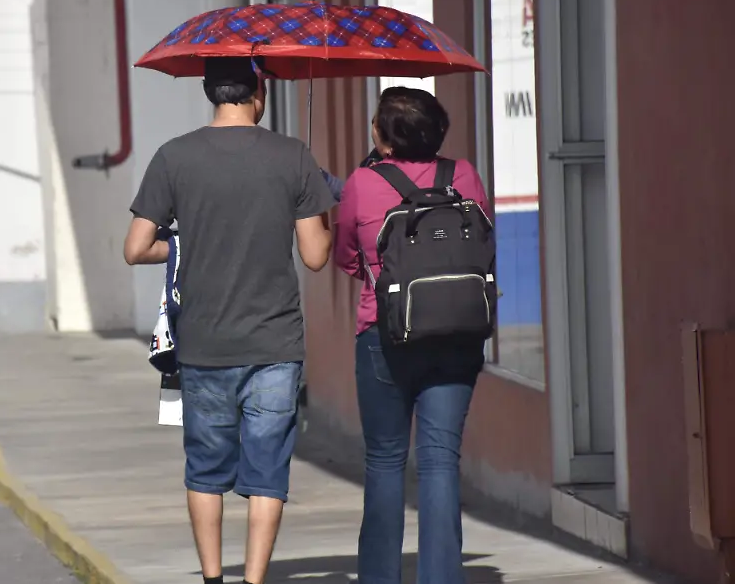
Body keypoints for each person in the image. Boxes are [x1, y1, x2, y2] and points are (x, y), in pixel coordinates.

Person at [124, 56, 336, 584]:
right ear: (258, 92)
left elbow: (136, 248)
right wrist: (323, 207)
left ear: (208, 92)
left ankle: (213, 578)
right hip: (275, 343)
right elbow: (315, 256)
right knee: (267, 472)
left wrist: (183, 243)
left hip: (204, 342)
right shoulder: (293, 155)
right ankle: (255, 579)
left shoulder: (174, 156)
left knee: (205, 469)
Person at [332, 86, 491, 584]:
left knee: (384, 461)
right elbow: (483, 242)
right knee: (440, 461)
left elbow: (346, 258)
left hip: (385, 336)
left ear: (383, 138)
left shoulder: (362, 182)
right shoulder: (463, 174)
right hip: (459, 334)